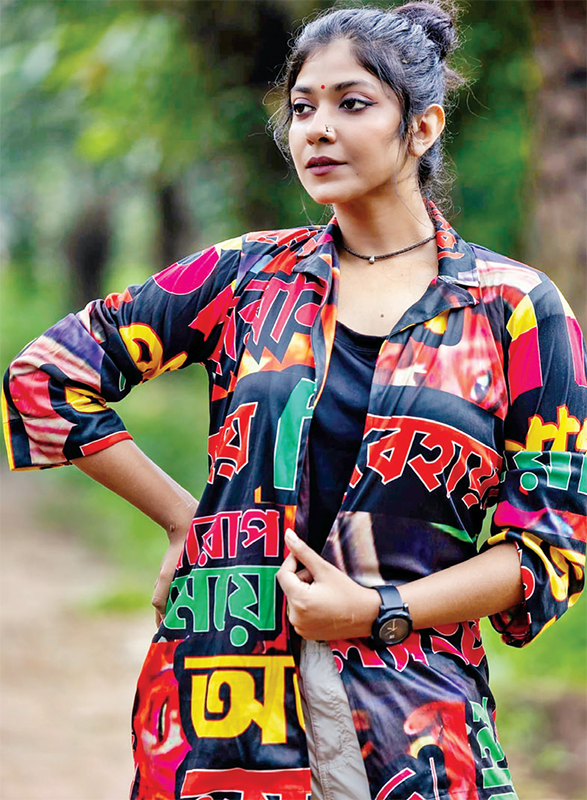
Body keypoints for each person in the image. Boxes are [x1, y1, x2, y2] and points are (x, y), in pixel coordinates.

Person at [3, 2, 586, 799]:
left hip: (415, 722)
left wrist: (376, 608)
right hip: (226, 707)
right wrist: (186, 521)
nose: (317, 130)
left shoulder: (515, 309)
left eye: (352, 103)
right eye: (302, 108)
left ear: (421, 127)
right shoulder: (242, 277)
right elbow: (48, 375)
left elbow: (551, 546)